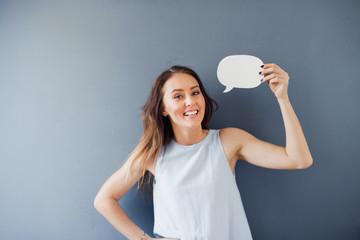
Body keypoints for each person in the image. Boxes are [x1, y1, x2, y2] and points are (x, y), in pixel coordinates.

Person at [94, 64, 313, 240]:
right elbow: (104, 200)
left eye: (195, 92)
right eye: (178, 96)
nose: (190, 102)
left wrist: (282, 97)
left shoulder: (227, 141)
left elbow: (299, 160)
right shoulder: (152, 154)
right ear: (163, 109)